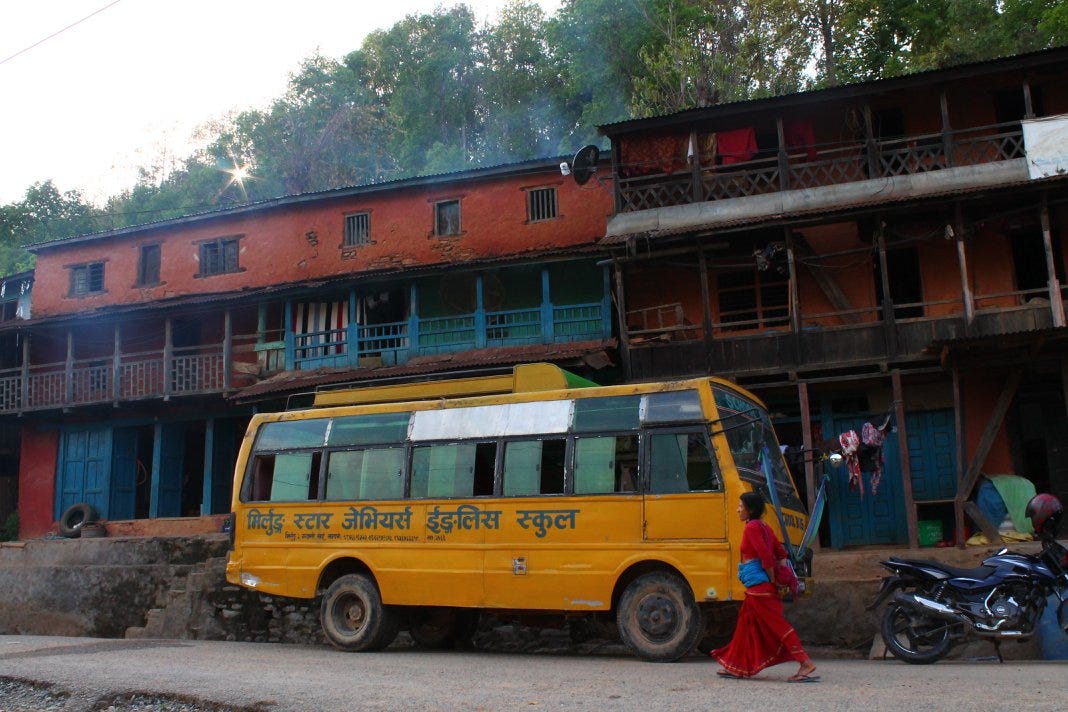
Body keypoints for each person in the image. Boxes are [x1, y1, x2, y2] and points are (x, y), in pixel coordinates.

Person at [712, 491, 819, 682]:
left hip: (760, 587)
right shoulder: (764, 527)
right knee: (746, 625)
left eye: (740, 506)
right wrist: (782, 574)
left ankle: (805, 662)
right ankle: (736, 665)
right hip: (760, 587)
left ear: (750, 509)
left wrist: (773, 579)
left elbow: (767, 557)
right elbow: (782, 554)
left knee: (778, 626)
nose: (737, 510)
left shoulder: (752, 528)